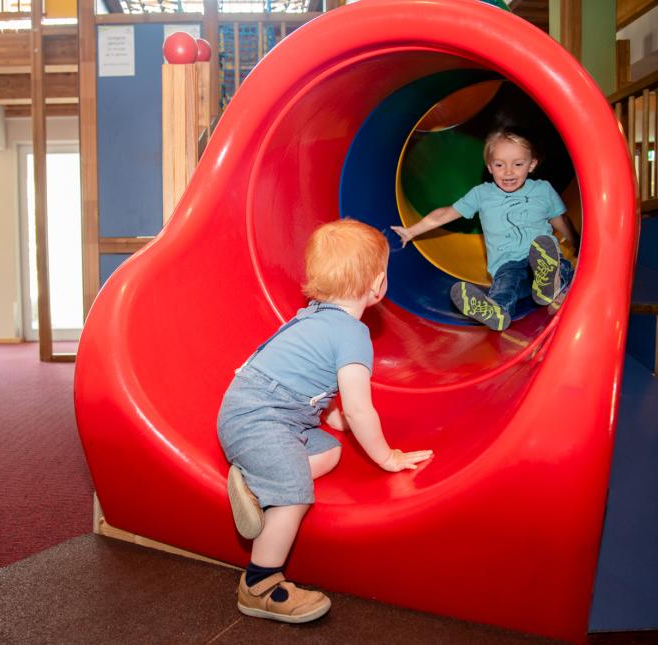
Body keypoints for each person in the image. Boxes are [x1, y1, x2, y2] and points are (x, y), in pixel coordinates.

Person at [217, 218, 433, 624]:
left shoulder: (313, 316)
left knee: (330, 449)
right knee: (295, 494)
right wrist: (386, 457)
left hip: (254, 410)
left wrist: (330, 415)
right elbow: (358, 408)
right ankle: (259, 585)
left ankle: (255, 479)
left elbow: (310, 380)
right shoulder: (352, 334)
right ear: (378, 284)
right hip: (260, 418)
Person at [391, 128, 579, 331]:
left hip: (541, 256)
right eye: (500, 165)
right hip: (508, 265)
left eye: (518, 164)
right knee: (505, 288)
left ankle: (552, 284)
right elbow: (446, 213)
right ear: (490, 167)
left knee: (553, 259)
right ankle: (497, 310)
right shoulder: (482, 194)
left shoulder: (542, 189)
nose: (508, 171)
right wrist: (411, 231)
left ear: (531, 164)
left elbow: (558, 220)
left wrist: (578, 244)